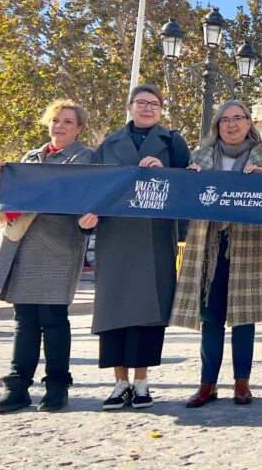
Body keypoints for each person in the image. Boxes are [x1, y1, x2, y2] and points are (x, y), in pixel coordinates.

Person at [78, 84, 190, 410]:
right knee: (114, 310)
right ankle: (119, 383)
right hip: (116, 237)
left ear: (160, 109)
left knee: (149, 312)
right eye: (142, 103)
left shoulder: (173, 142)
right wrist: (89, 217)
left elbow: (188, 184)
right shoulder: (109, 144)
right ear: (129, 106)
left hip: (156, 237)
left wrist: (165, 173)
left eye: (154, 104)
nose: (147, 108)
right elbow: (95, 188)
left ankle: (141, 382)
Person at [0, 99, 93, 413]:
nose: (60, 126)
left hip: (59, 245)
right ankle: (17, 387)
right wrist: (2, 179)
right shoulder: (30, 157)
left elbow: (81, 197)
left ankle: (57, 386)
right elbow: (13, 195)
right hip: (22, 244)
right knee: (24, 319)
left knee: (54, 319)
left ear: (79, 128)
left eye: (68, 122)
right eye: (56, 120)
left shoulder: (87, 159)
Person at [170, 100, 262, 408]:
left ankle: (242, 383)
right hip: (209, 244)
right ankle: (208, 383)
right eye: (225, 120)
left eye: (238, 119)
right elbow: (186, 197)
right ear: (217, 126)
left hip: (248, 244)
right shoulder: (200, 156)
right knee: (211, 316)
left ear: (249, 123)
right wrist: (189, 179)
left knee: (245, 317)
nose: (232, 125)